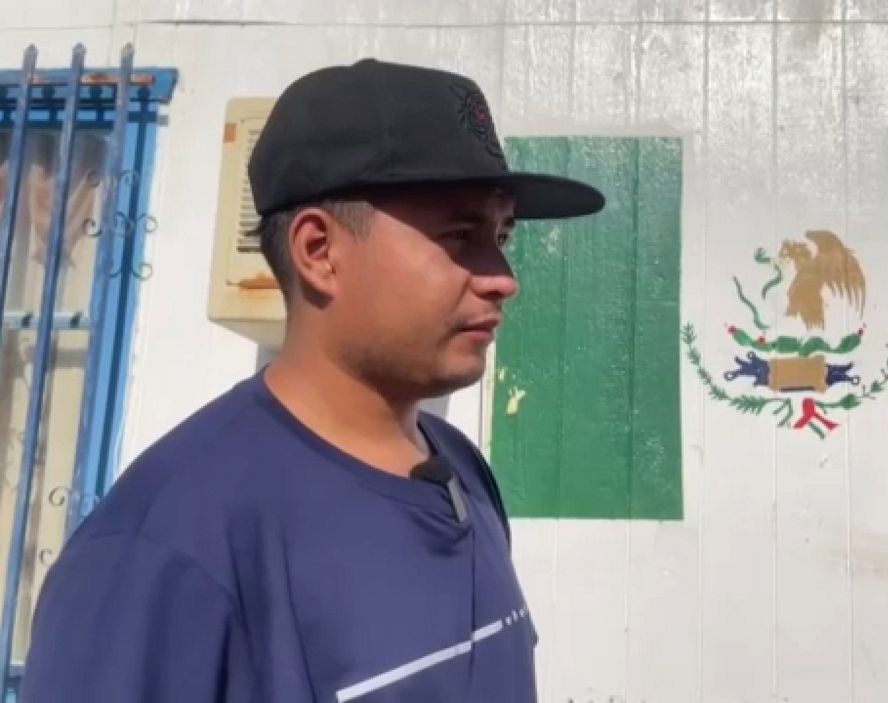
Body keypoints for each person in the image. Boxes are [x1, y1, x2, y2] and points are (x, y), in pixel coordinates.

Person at [19, 59, 604, 702]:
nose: (502, 278)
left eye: (501, 235)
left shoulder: (462, 473)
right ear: (319, 252)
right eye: (461, 235)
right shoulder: (162, 553)